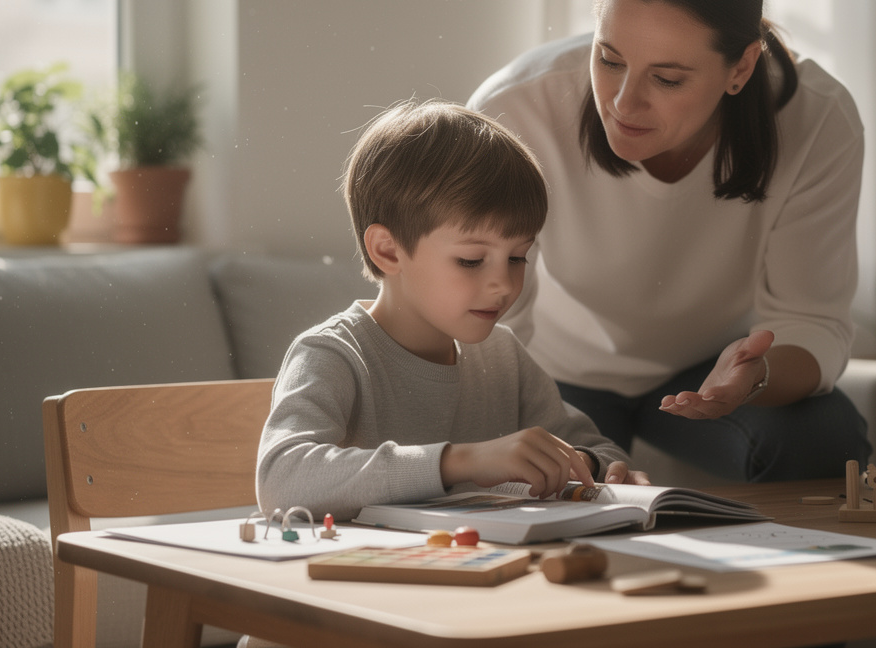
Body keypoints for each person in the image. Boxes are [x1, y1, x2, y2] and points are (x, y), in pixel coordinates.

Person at [467, 0, 872, 482]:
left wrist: (751, 377)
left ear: (742, 67)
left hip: (705, 369)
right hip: (551, 372)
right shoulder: (517, 108)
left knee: (827, 439)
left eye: (668, 79)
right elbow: (485, 317)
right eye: (609, 59)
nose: (624, 104)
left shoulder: (817, 119)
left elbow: (813, 321)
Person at [256, 100, 647, 520]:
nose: (505, 284)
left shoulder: (503, 356)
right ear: (388, 250)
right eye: (471, 261)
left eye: (517, 257)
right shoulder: (333, 355)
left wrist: (588, 465)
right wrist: (461, 462)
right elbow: (281, 480)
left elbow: (600, 450)